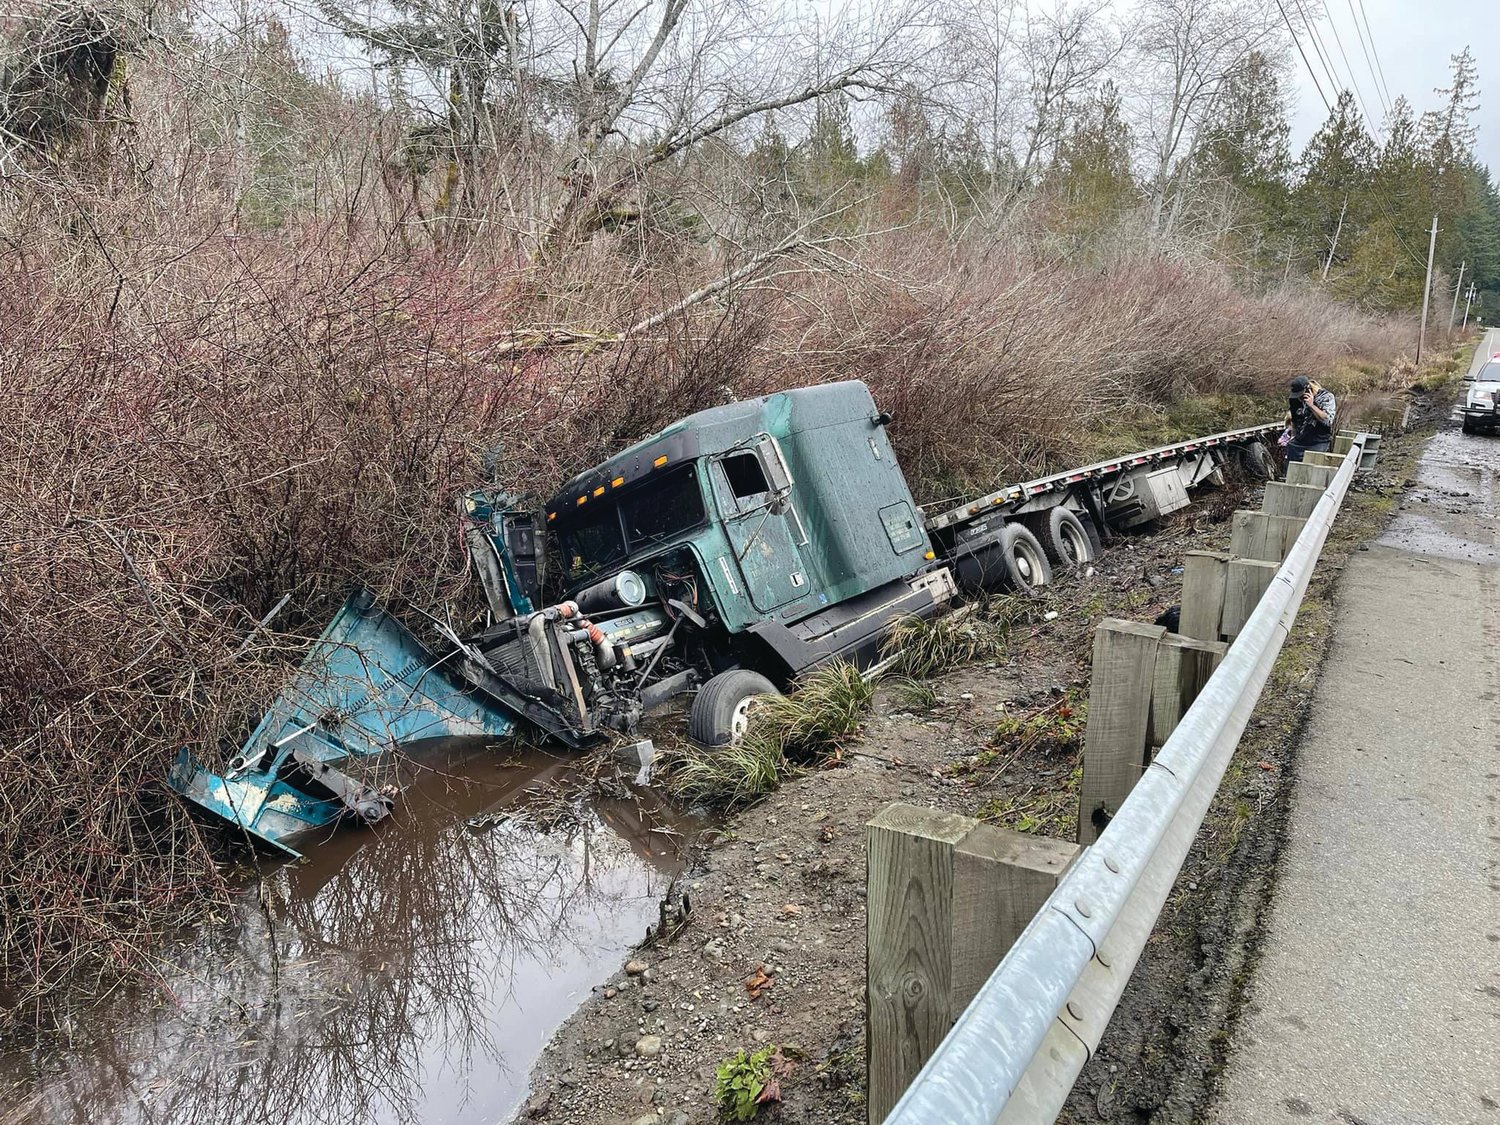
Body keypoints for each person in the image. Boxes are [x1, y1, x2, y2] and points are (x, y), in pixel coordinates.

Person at [1286, 375, 1336, 463]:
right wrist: (1293, 435)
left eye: (1301, 396)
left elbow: (1327, 420)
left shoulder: (1326, 397)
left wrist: (1311, 405)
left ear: (1309, 389)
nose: (1299, 398)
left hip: (1319, 441)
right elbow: (1294, 421)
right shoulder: (1294, 399)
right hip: (1299, 441)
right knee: (1290, 456)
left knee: (1312, 466)